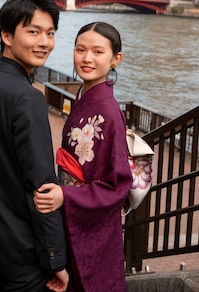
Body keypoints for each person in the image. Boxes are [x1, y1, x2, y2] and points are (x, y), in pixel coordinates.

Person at [0, 0, 69, 292]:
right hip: (25, 254)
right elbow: (42, 187)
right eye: (33, 31)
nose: (44, 42)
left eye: (50, 33)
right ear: (7, 36)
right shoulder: (28, 98)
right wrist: (55, 260)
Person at [33, 22, 132, 292]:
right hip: (75, 214)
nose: (87, 58)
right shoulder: (86, 98)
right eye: (80, 49)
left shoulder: (109, 113)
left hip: (91, 219)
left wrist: (67, 196)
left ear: (115, 59)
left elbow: (117, 184)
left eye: (98, 52)